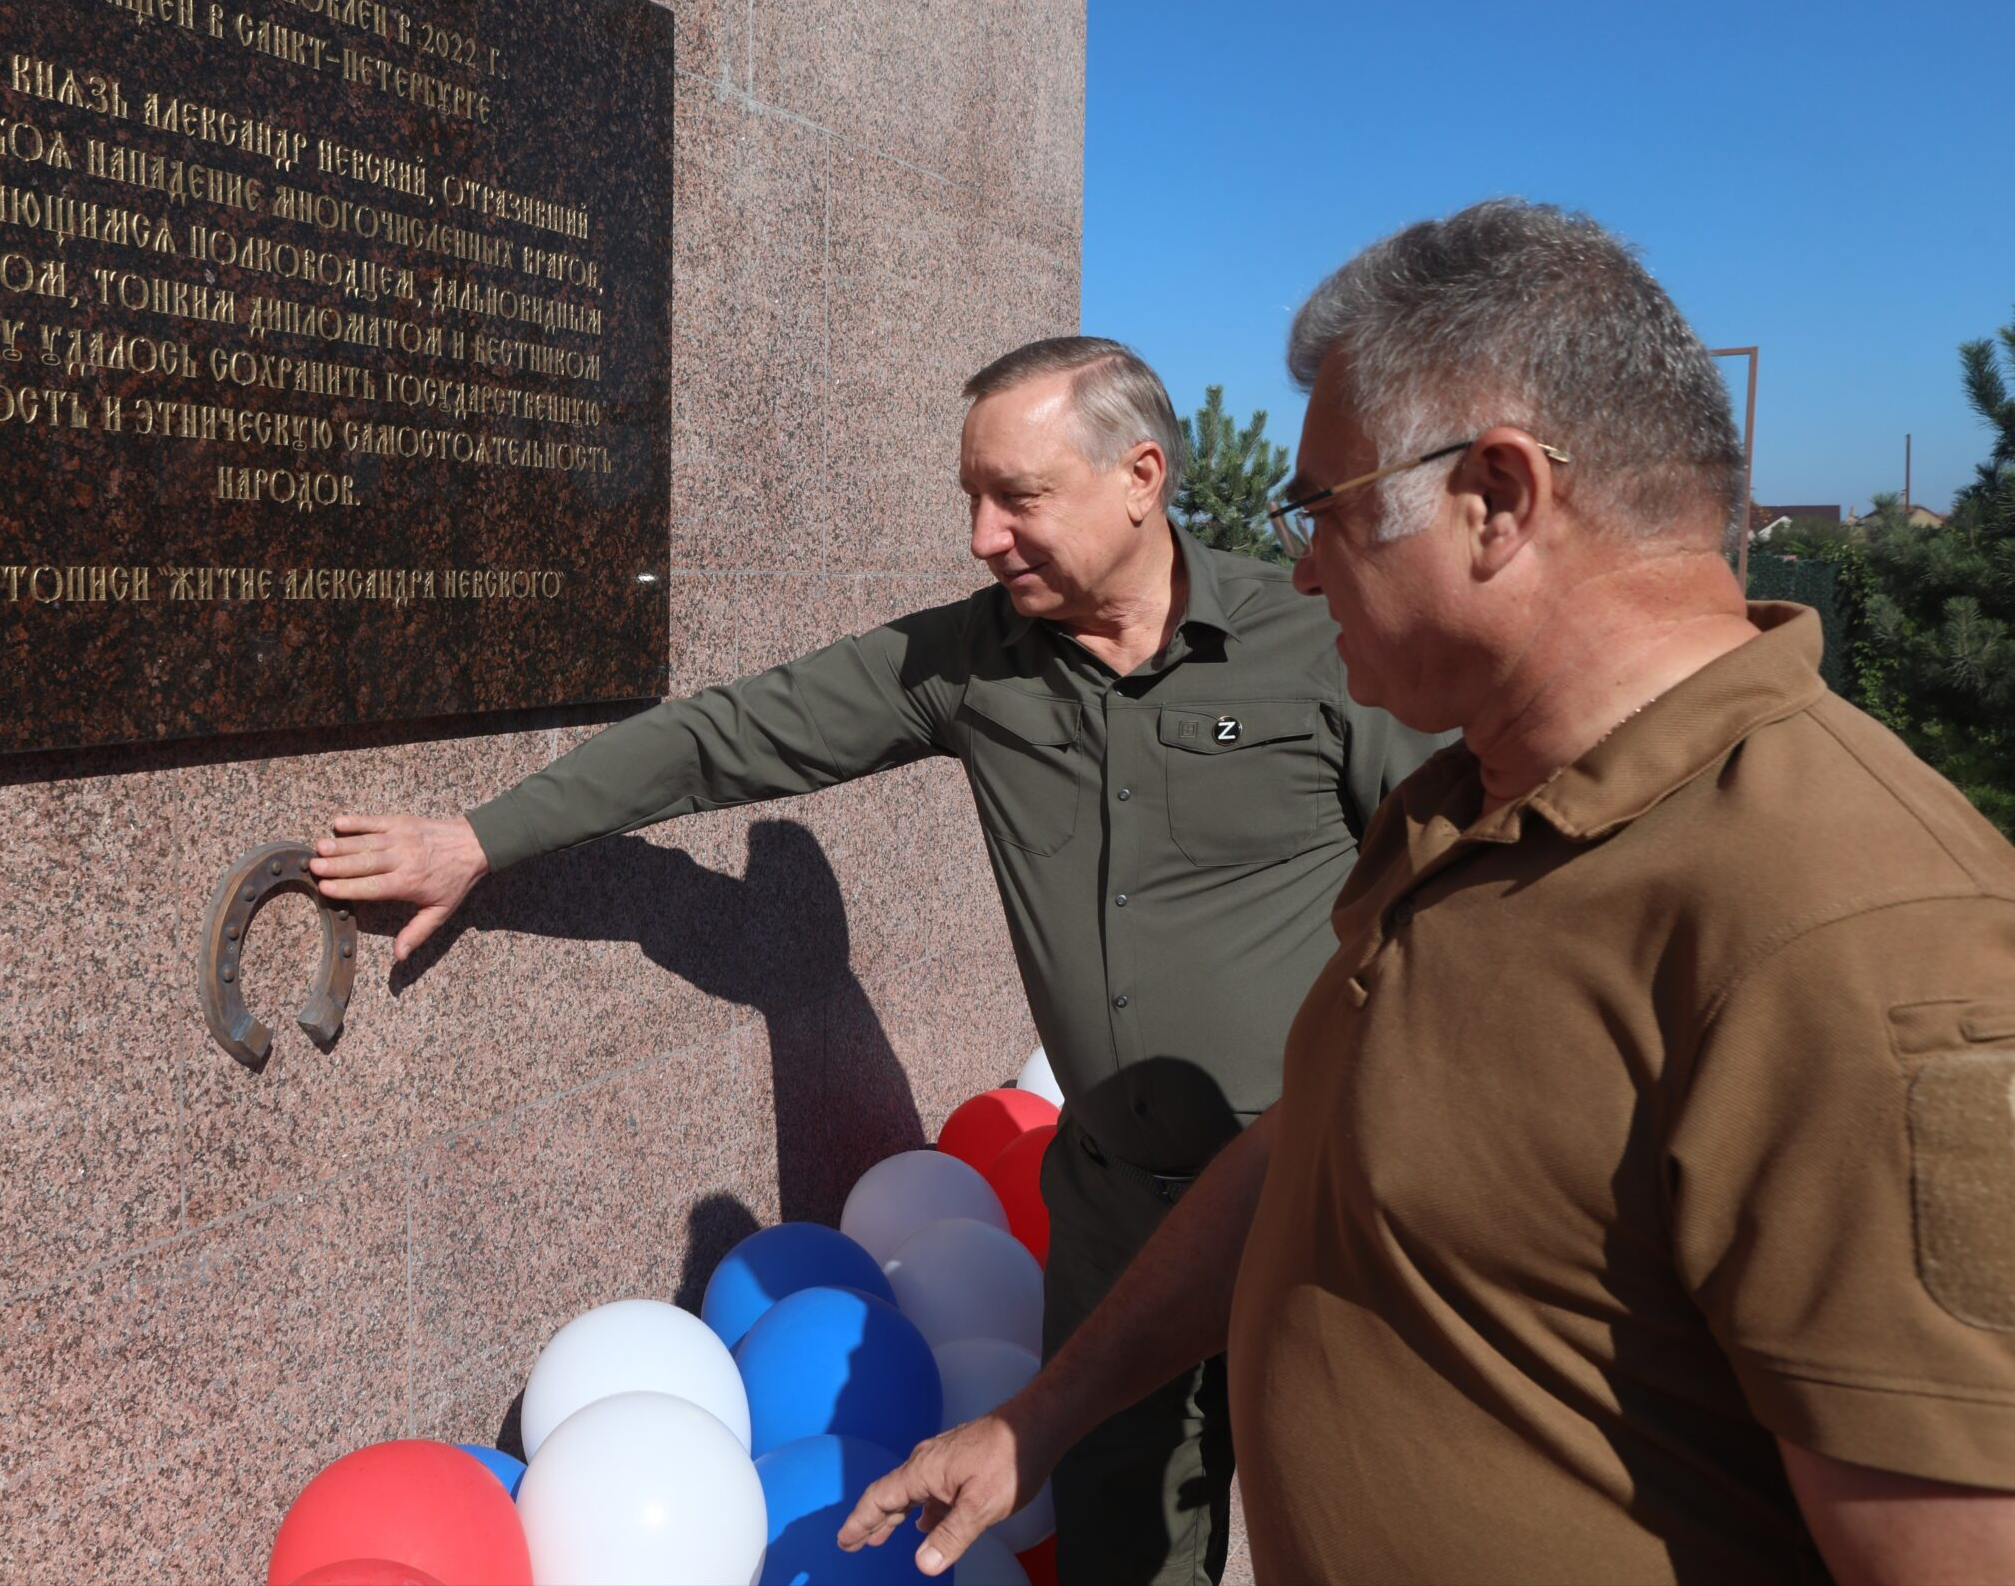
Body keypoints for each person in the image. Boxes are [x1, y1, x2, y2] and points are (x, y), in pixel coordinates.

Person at [840, 200, 2015, 1584]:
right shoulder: (1457, 813)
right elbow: (1305, 1148)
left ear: (1498, 500)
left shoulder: (1855, 928)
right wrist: (1046, 1415)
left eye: (1324, 510)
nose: (1295, 563)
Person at [309, 334, 1441, 1585]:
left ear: (1141, 476)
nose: (980, 535)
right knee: (1130, 1557)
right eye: (970, 496)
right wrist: (478, 837)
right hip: (1117, 1224)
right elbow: (726, 737)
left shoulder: (1319, 645)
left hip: (1316, 1208)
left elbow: (1473, 896)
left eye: (1017, 496)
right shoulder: (971, 664)